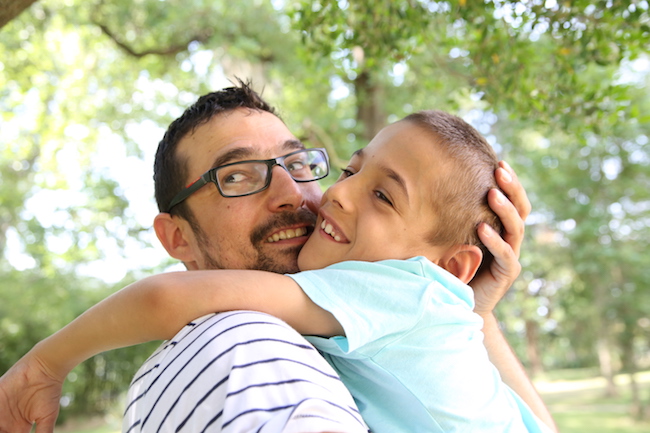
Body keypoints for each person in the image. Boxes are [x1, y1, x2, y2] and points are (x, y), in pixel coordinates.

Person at [0, 82, 555, 432]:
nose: (305, 193)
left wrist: (474, 313)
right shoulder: (242, 346)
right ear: (177, 240)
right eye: (237, 176)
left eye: (300, 163)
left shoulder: (384, 300)